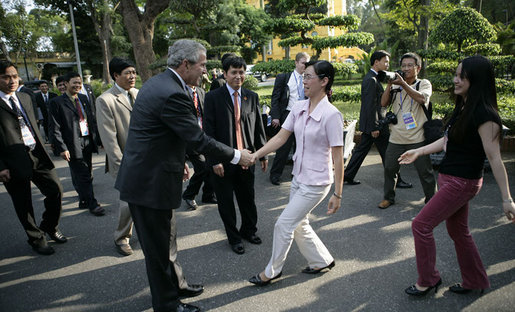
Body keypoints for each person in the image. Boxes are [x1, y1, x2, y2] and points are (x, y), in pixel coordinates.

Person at [115, 39, 253, 312]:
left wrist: (181, 161)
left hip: (156, 174)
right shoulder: (173, 93)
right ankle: (168, 305)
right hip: (148, 184)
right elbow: (198, 138)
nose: (205, 71)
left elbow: (168, 135)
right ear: (185, 64)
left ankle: (177, 284)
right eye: (202, 65)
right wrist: (238, 155)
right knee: (157, 251)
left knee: (168, 239)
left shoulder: (161, 83)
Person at [400, 55, 515, 296]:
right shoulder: (464, 106)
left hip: (462, 182)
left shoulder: (486, 115)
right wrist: (419, 151)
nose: (455, 80)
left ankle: (429, 280)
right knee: (458, 231)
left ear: (476, 79)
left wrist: (506, 198)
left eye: (461, 76)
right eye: (456, 74)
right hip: (451, 178)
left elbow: (494, 157)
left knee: (420, 225)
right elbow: (446, 141)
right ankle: (474, 280)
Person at [248, 60, 344, 286]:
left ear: (324, 81)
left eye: (309, 76)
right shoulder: (299, 107)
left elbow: (338, 158)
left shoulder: (332, 115)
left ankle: (272, 271)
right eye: (304, 76)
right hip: (299, 178)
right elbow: (281, 138)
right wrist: (256, 155)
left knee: (284, 224)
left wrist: (337, 194)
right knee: (299, 223)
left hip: (317, 182)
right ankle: (322, 260)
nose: (304, 81)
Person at [0, 60, 67, 255]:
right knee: (23, 203)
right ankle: (36, 238)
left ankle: (49, 226)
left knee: (56, 190)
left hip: (37, 153)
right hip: (12, 161)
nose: (11, 80)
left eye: (14, 76)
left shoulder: (25, 97)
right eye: (5, 77)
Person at [203, 56, 268, 255]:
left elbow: (258, 127)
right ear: (225, 74)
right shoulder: (213, 97)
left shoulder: (251, 96)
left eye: (241, 72)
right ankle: (234, 238)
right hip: (223, 160)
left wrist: (262, 154)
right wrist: (214, 160)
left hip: (247, 158)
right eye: (234, 72)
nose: (238, 76)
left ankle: (249, 230)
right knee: (226, 202)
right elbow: (208, 132)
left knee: (248, 198)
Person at [345, 50, 412, 188]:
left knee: (363, 152)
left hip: (375, 124)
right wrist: (375, 127)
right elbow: (370, 106)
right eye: (385, 61)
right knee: (388, 154)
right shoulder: (371, 79)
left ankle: (347, 176)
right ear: (376, 62)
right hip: (376, 125)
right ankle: (397, 181)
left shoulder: (373, 78)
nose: (387, 64)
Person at [378, 52, 436, 209]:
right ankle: (388, 198)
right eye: (403, 66)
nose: (406, 68)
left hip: (418, 138)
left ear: (418, 67)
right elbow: (383, 103)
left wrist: (403, 84)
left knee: (426, 173)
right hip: (396, 137)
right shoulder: (396, 85)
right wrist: (390, 83)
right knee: (390, 169)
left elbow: (423, 99)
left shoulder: (424, 83)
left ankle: (432, 201)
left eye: (410, 65)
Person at [95, 57, 138, 255]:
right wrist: (122, 167)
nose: (132, 77)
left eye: (134, 72)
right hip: (126, 162)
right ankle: (121, 237)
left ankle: (146, 233)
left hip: (145, 158)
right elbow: (109, 139)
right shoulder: (105, 100)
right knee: (128, 202)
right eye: (127, 73)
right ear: (115, 75)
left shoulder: (138, 93)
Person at [49, 72, 104, 216]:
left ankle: (83, 200)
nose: (78, 85)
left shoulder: (83, 98)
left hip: (87, 140)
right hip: (72, 143)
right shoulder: (57, 102)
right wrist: (62, 148)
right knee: (83, 174)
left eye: (79, 83)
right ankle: (93, 204)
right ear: (66, 84)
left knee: (87, 172)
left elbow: (91, 119)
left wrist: (98, 140)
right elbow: (55, 127)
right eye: (74, 83)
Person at [268, 52, 309, 186]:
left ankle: (298, 174)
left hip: (305, 114)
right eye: (303, 62)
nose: (306, 66)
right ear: (296, 63)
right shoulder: (284, 78)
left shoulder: (309, 78)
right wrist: (275, 116)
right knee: (283, 146)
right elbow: (275, 98)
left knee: (302, 146)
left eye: (308, 63)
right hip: (288, 114)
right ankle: (275, 175)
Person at [182, 84, 217, 210]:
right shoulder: (181, 92)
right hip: (190, 138)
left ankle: (208, 194)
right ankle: (189, 194)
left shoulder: (201, 91)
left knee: (211, 165)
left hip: (204, 135)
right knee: (202, 167)